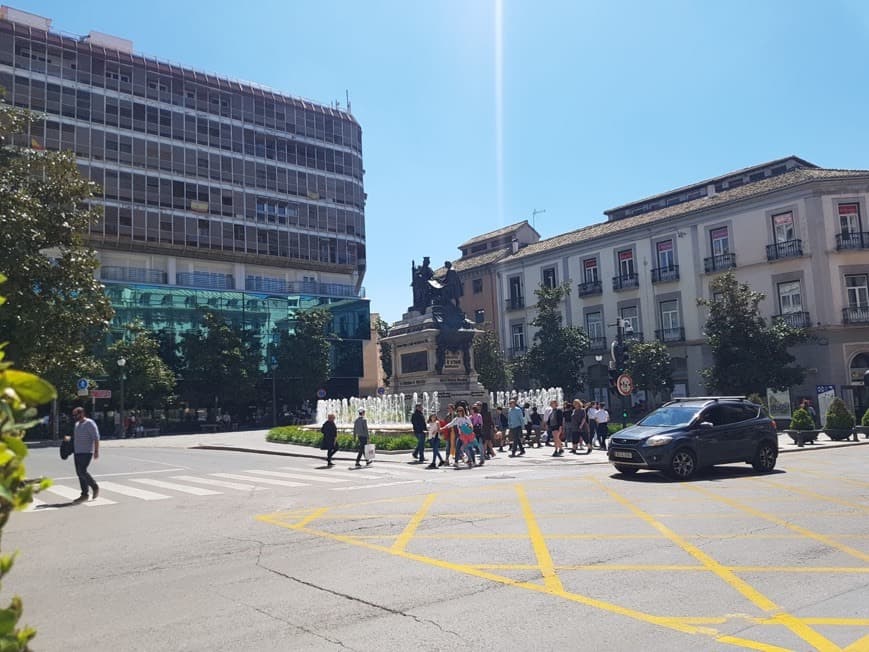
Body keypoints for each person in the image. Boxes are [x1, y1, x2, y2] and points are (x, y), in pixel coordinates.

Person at [71, 407, 100, 502]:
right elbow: (76, 438)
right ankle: (84, 494)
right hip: (77, 452)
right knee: (79, 473)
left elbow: (96, 437)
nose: (74, 417)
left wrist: (96, 451)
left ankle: (94, 486)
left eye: (76, 414)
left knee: (82, 471)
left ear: (82, 413)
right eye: (74, 415)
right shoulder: (76, 424)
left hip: (87, 452)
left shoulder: (90, 423)